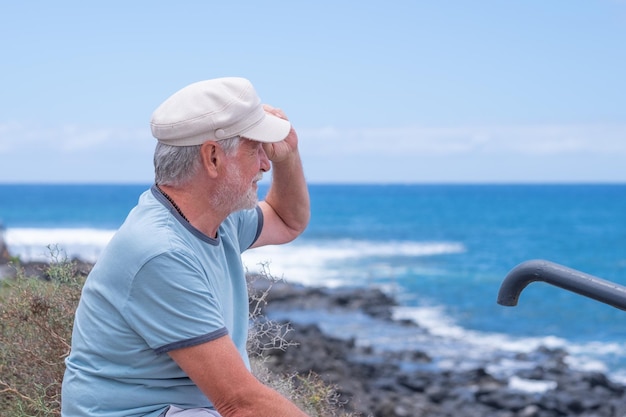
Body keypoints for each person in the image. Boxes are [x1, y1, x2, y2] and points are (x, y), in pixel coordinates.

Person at [61, 77, 311, 417]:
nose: (265, 164)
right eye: (256, 150)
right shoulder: (160, 251)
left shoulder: (217, 218)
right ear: (212, 158)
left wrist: (289, 157)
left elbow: (287, 220)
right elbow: (240, 403)